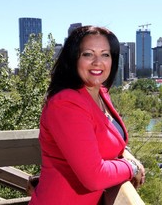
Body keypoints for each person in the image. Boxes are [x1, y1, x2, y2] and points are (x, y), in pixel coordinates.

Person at [29, 25, 145, 204]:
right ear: (74, 58)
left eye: (105, 54)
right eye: (88, 54)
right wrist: (131, 167)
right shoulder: (66, 104)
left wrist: (126, 154)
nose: (98, 62)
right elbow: (94, 177)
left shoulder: (101, 93)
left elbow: (106, 140)